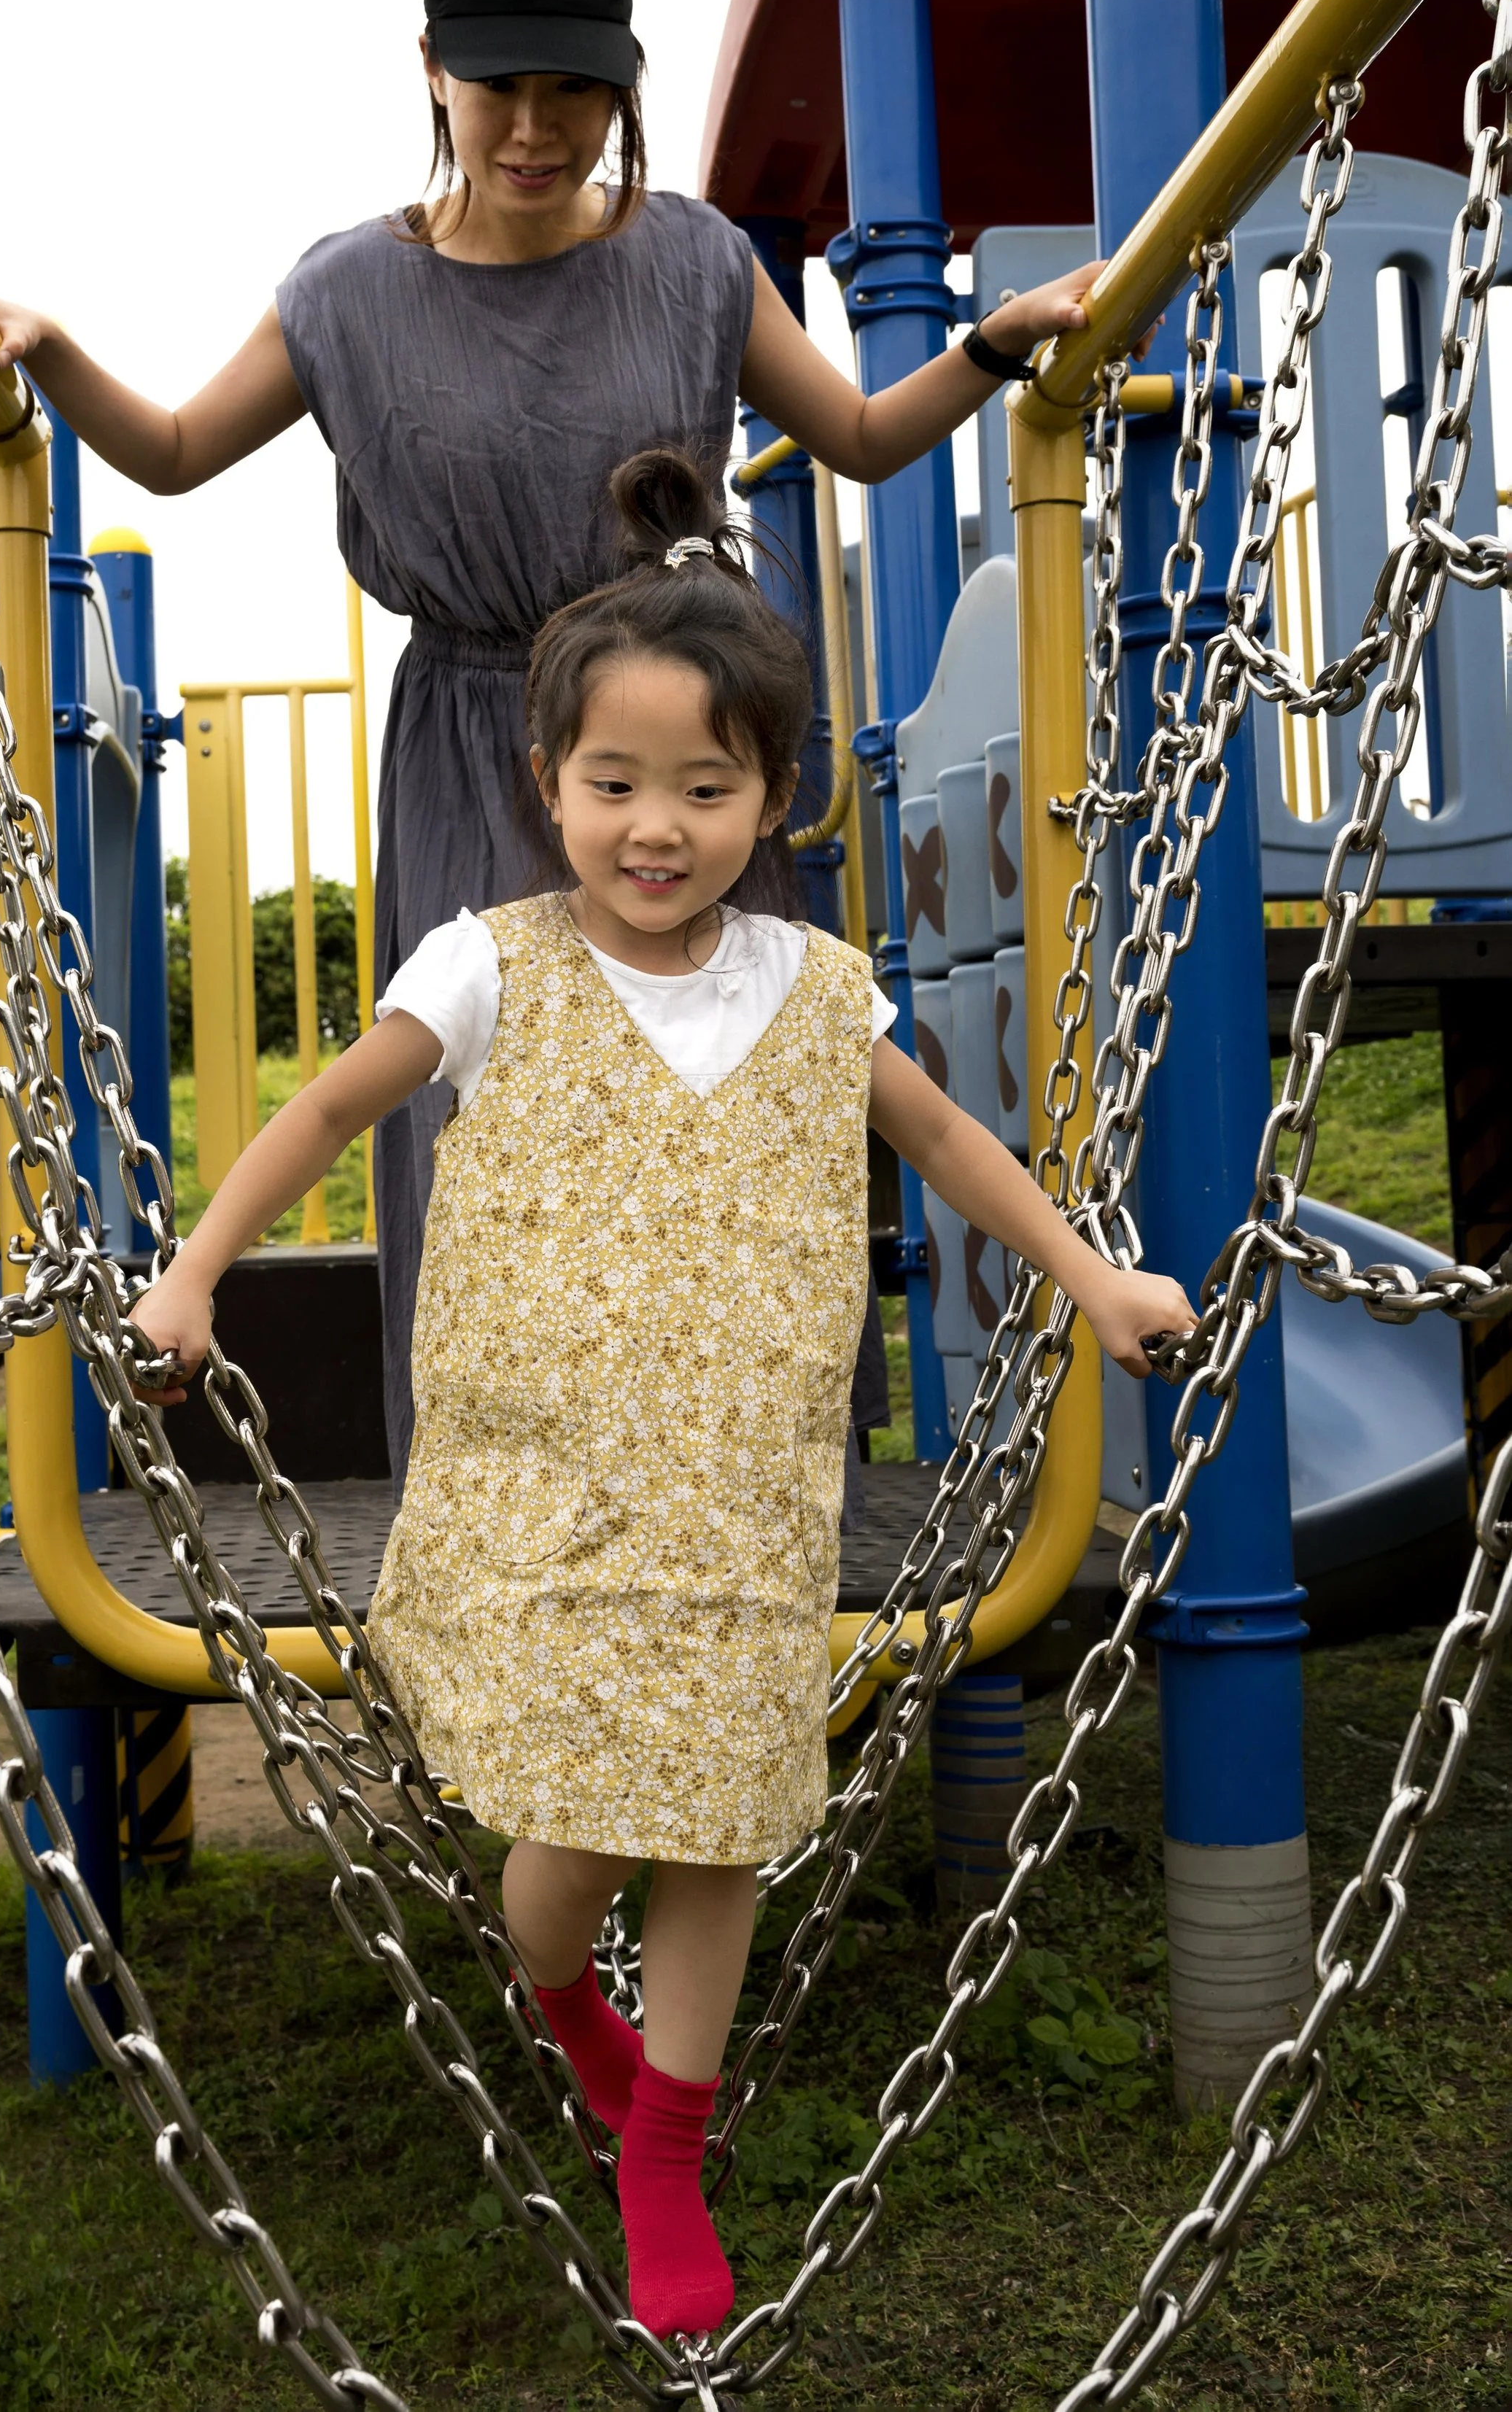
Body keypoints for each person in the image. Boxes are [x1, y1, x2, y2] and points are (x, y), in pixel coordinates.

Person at [129, 447, 1195, 2342]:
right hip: (541, 1500)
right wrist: (199, 1263)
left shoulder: (816, 983)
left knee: (713, 1819)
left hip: (742, 1496)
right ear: (545, 787)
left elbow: (951, 1136)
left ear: (770, 797)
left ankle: (664, 2145)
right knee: (554, 1876)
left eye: (704, 787)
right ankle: (560, 2000)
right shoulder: (485, 965)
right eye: (612, 783)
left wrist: (1094, 1276)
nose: (655, 824)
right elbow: (320, 1107)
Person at [0, 0, 1124, 1495]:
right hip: (477, 750)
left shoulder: (694, 265)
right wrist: (52, 348)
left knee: (721, 1122)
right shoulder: (345, 292)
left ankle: (737, 1499)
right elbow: (168, 454)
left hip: (673, 734)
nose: (535, 125)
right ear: (430, 71)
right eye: (499, 86)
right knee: (473, 1129)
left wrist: (994, 345)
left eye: (575, 90)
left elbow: (860, 439)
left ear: (622, 84)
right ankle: (492, 1519)